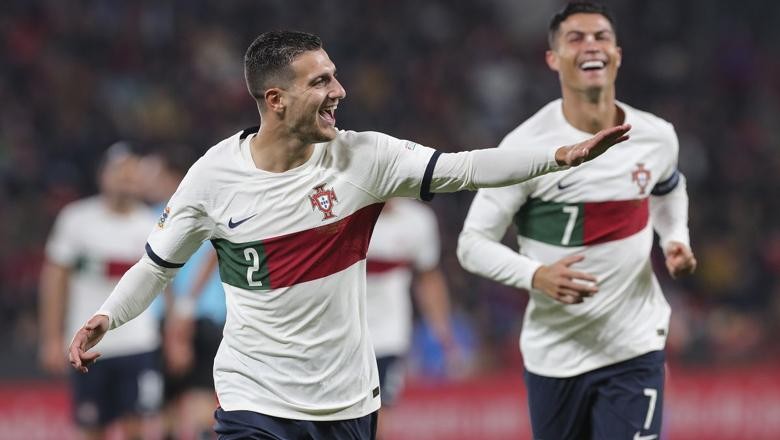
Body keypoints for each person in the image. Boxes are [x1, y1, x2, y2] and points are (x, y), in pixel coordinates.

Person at [67, 30, 630, 440]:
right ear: (275, 100)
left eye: (334, 74)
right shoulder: (213, 177)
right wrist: (109, 316)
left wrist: (558, 156)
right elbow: (156, 267)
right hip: (253, 395)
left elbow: (465, 167)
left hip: (345, 402)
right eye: (320, 81)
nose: (339, 90)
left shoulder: (364, 158)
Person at [457, 3, 697, 439]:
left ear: (617, 54)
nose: (591, 45)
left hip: (634, 346)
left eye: (601, 37)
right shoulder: (524, 147)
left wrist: (674, 238)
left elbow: (668, 188)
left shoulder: (657, 136)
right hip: (555, 353)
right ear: (553, 59)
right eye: (576, 38)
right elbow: (471, 244)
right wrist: (536, 275)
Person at [39, 142, 163, 440]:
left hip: (139, 342)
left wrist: (172, 334)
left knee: (139, 429)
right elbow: (55, 279)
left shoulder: (152, 223)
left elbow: (165, 282)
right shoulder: (76, 219)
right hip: (88, 344)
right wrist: (51, 337)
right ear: (103, 175)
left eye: (132, 173)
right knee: (92, 429)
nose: (126, 178)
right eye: (120, 171)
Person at [137, 146, 226, 440]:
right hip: (209, 315)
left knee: (169, 406)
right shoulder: (211, 210)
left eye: (154, 176)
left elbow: (160, 271)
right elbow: (215, 256)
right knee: (201, 399)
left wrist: (178, 321)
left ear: (174, 177)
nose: (147, 183)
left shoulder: (154, 217)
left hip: (173, 319)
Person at [364, 198, 455, 439]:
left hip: (389, 335)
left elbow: (428, 276)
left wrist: (442, 331)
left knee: (380, 414)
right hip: (342, 332)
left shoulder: (418, 220)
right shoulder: (347, 213)